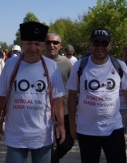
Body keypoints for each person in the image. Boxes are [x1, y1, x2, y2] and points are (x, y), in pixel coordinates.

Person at [0, 21, 66, 163]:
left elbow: (57, 98)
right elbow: (1, 95)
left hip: (43, 134)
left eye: (37, 44)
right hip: (16, 133)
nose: (33, 48)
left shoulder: (51, 67)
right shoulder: (11, 65)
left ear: (43, 45)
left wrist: (61, 124)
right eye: (29, 43)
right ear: (22, 43)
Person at [66, 27, 127, 163]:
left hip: (114, 128)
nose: (100, 47)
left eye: (104, 43)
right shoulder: (79, 65)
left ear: (110, 45)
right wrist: (72, 124)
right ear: (90, 44)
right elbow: (72, 96)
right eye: (96, 43)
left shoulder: (119, 65)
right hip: (87, 129)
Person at [44, 33, 73, 163]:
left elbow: (74, 87)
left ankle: (54, 158)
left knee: (68, 142)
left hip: (64, 111)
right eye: (48, 42)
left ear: (60, 46)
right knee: (46, 145)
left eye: (55, 43)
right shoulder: (38, 61)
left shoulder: (67, 63)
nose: (51, 45)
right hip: (44, 112)